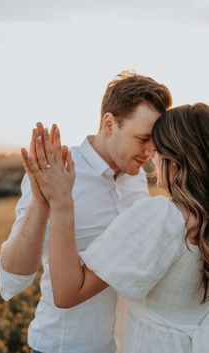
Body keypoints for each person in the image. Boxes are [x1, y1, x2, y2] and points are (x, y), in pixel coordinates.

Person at [0, 71, 172, 353]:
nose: (150, 151)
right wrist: (42, 202)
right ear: (109, 123)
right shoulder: (58, 171)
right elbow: (13, 275)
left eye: (155, 142)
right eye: (143, 138)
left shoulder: (137, 177)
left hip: (119, 345)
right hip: (60, 346)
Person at [23, 103, 209, 353]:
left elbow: (67, 293)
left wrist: (61, 201)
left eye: (156, 151)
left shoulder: (162, 216)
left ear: (173, 161)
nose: (151, 158)